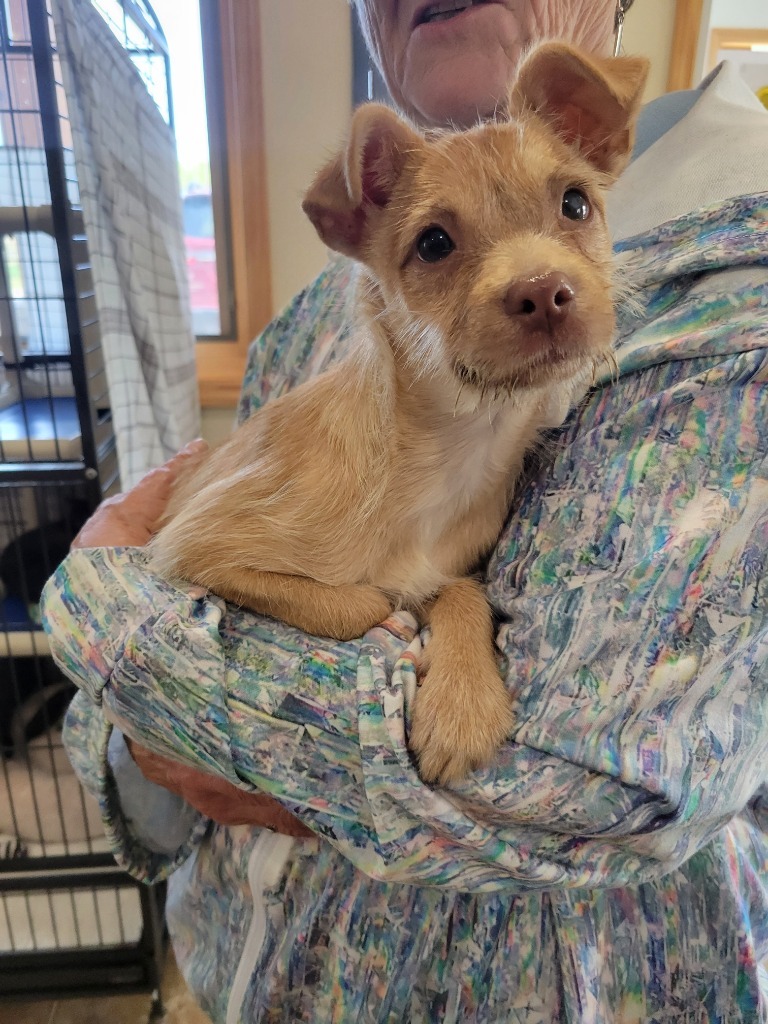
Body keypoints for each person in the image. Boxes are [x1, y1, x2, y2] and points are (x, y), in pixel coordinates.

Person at [42, 0, 768, 1020]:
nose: (537, 281)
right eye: (436, 245)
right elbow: (152, 696)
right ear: (362, 236)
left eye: (570, 205)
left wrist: (98, 611)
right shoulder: (303, 333)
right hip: (241, 967)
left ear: (595, 137)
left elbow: (583, 791)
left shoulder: (739, 288)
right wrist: (140, 730)